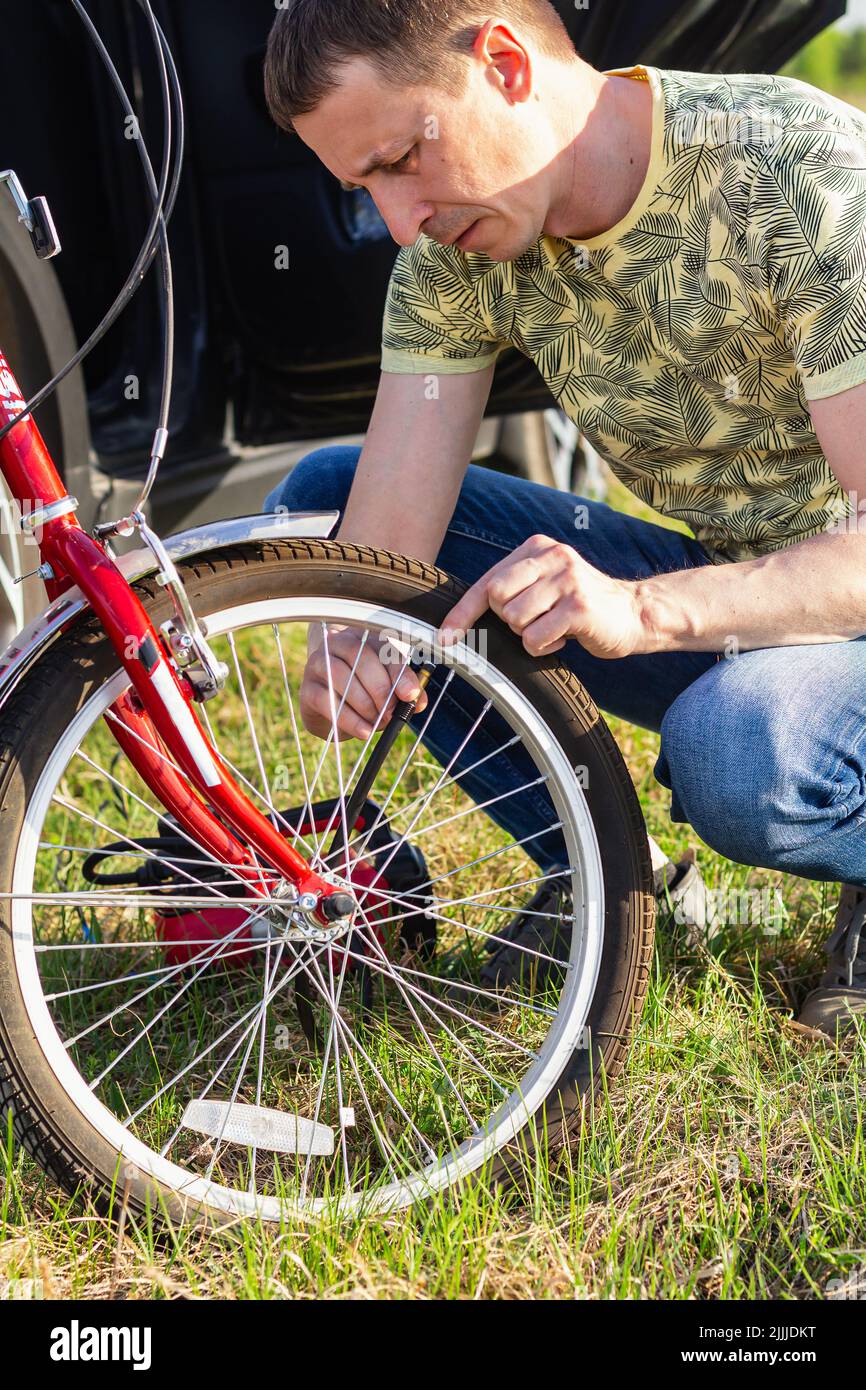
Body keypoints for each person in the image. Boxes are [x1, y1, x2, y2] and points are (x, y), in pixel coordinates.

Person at [262, 0, 866, 1036]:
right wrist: (350, 635)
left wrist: (644, 610)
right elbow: (380, 548)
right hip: (738, 588)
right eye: (366, 189)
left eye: (404, 157)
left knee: (739, 745)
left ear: (500, 61)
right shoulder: (450, 256)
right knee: (322, 512)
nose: (401, 220)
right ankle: (607, 877)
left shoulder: (790, 166)